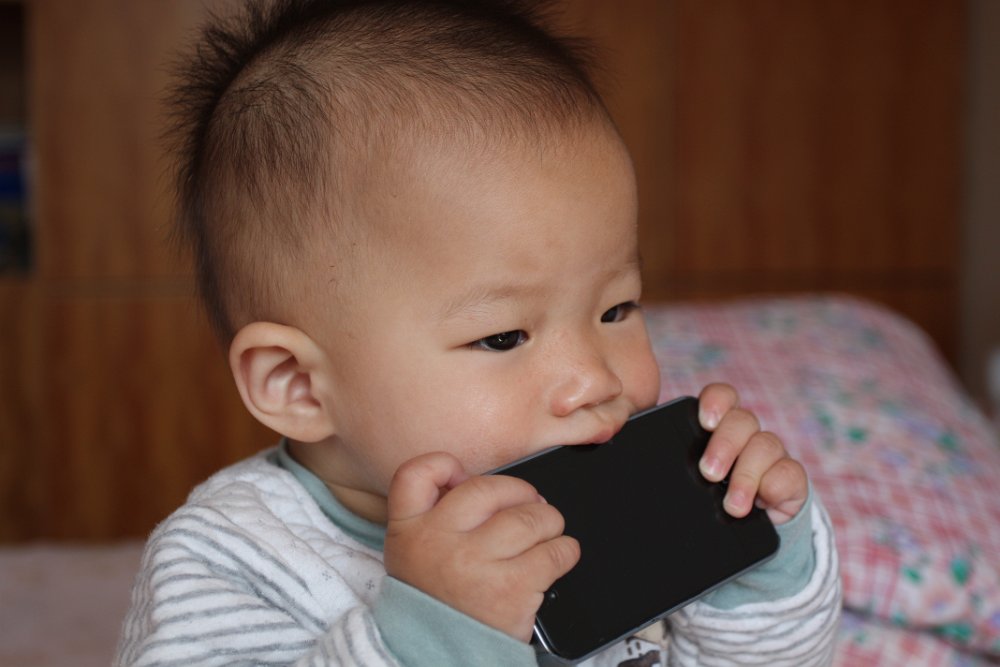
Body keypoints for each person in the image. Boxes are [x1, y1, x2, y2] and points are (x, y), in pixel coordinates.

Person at [116, 1, 841, 664]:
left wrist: (759, 566)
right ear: (297, 384)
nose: (596, 379)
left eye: (617, 309)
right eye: (503, 337)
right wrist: (435, 635)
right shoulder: (234, 555)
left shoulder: (618, 497)